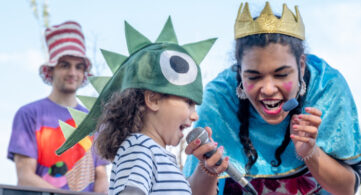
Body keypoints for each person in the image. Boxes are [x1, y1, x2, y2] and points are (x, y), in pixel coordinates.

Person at [183, 2, 361, 195]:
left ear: (301, 65)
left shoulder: (328, 88)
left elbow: (347, 189)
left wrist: (310, 153)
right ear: (240, 73)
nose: (267, 89)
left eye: (281, 75)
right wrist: (208, 170)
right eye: (254, 77)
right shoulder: (218, 102)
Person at [53, 17, 224, 195]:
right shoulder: (140, 148)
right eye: (188, 102)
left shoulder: (158, 155)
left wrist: (208, 171)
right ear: (153, 100)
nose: (195, 115)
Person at [7, 21, 108, 193]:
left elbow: (101, 176)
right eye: (65, 65)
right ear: (51, 70)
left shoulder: (93, 121)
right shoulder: (29, 114)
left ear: (84, 72)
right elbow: (25, 177)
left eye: (79, 66)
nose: (72, 73)